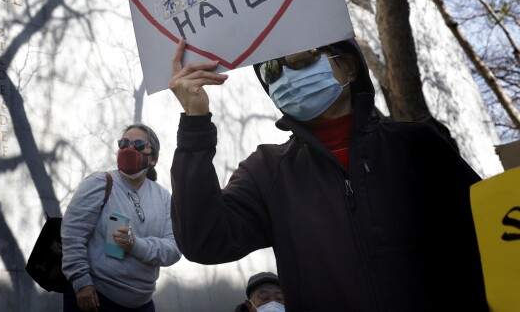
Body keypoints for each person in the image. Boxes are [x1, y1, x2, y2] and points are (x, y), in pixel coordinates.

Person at [168, 39, 488, 311]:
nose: (287, 76)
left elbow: (488, 237)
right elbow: (203, 241)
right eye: (273, 70)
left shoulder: (416, 144)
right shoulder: (266, 170)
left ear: (349, 67)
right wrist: (195, 123)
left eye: (301, 59)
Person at [61, 124, 181, 311]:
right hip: (95, 299)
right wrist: (81, 282)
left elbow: (173, 249)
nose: (128, 149)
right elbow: (72, 235)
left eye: (139, 145)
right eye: (124, 143)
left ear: (153, 159)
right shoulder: (100, 183)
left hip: (143, 304)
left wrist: (135, 245)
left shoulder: (164, 197)